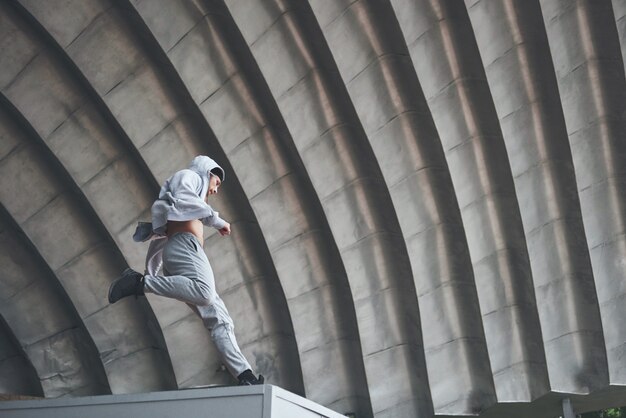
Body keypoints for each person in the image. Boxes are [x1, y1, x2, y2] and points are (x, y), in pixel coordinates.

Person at [107, 155, 264, 386]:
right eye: (217, 183)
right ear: (208, 172)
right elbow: (185, 199)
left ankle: (245, 375)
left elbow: (161, 240)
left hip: (183, 253)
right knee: (205, 292)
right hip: (184, 248)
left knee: (220, 319)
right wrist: (217, 221)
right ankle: (139, 283)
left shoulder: (187, 207)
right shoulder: (189, 176)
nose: (215, 190)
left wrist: (151, 270)